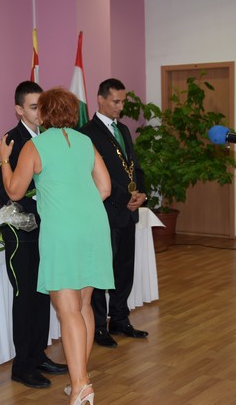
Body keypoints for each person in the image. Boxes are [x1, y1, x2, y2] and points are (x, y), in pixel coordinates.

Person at [0, 87, 112, 405]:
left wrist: (4, 159)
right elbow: (105, 187)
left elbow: (15, 191)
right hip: (94, 226)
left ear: (44, 113)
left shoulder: (35, 146)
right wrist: (80, 203)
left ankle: (80, 385)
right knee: (84, 304)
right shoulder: (86, 141)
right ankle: (81, 378)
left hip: (63, 230)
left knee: (68, 309)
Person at [0, 81, 68, 389]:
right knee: (25, 298)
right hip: (21, 232)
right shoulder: (10, 141)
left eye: (43, 106)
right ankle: (22, 365)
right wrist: (35, 199)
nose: (40, 112)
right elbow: (1, 189)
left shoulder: (49, 138)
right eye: (34, 107)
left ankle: (38, 354)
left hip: (49, 229)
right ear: (19, 109)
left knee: (43, 292)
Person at [80, 78, 148, 348]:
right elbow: (93, 175)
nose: (120, 107)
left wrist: (141, 192)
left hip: (128, 211)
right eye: (115, 102)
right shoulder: (87, 133)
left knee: (123, 268)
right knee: (101, 270)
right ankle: (98, 325)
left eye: (122, 102)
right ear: (100, 99)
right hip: (105, 211)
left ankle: (119, 317)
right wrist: (124, 197)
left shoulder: (124, 129)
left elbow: (134, 166)